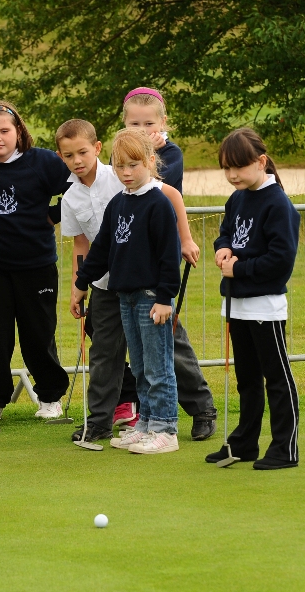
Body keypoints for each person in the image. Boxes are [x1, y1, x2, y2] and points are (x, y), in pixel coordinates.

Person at [58, 119, 201, 443]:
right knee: (139, 366)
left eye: (133, 165)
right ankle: (146, 425)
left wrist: (165, 298)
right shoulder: (120, 202)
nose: (125, 172)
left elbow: (168, 257)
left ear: (150, 162)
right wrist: (80, 285)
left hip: (152, 295)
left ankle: (165, 429)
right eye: (120, 165)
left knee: (158, 365)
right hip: (124, 296)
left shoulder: (158, 203)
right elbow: (101, 250)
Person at [0, 101, 71, 426]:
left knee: (38, 333)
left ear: (18, 130)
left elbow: (77, 191)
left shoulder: (45, 162)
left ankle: (50, 397)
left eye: (4, 130)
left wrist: (52, 216)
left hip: (37, 266)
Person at [120, 87, 218, 440]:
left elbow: (164, 188)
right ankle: (142, 416)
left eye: (149, 123)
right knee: (136, 345)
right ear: (124, 123)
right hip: (126, 260)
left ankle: (201, 406)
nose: (143, 129)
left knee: (168, 336)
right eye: (135, 123)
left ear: (163, 123)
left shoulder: (169, 154)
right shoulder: (123, 154)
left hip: (157, 259)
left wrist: (188, 238)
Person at [207, 128, 300, 470]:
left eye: (239, 167)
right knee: (247, 378)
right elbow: (226, 233)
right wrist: (223, 249)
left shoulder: (279, 204)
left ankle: (284, 449)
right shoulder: (238, 197)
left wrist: (239, 270)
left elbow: (281, 261)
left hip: (265, 305)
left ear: (261, 162)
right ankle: (244, 443)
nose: (232, 175)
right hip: (236, 303)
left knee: (277, 378)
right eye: (226, 169)